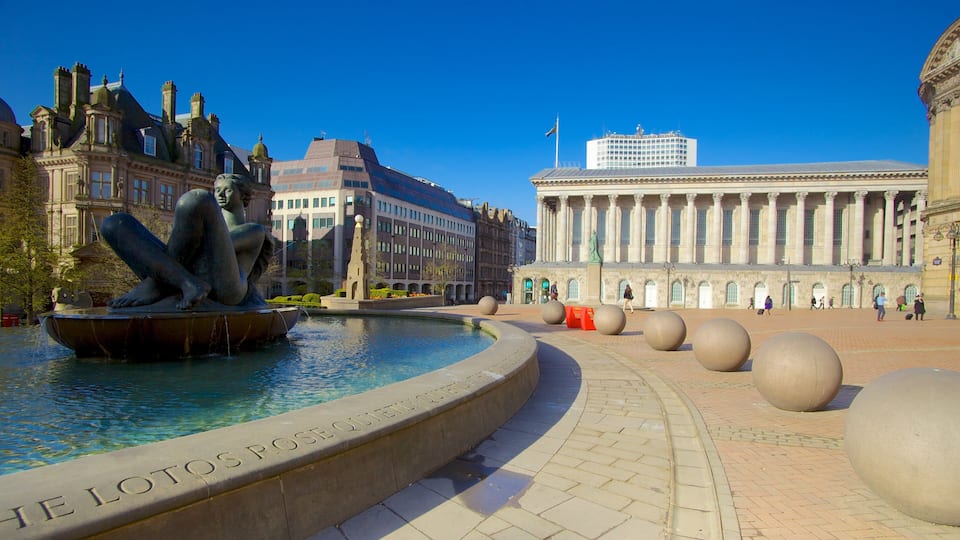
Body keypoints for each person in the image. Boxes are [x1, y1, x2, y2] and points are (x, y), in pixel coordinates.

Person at [101, 174, 274, 310]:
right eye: (217, 190)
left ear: (243, 196)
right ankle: (188, 284)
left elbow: (208, 249)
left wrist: (158, 258)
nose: (220, 194)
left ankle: (156, 284)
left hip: (227, 290)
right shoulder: (206, 222)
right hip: (188, 274)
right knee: (114, 224)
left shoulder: (254, 230)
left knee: (197, 199)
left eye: (227, 190)